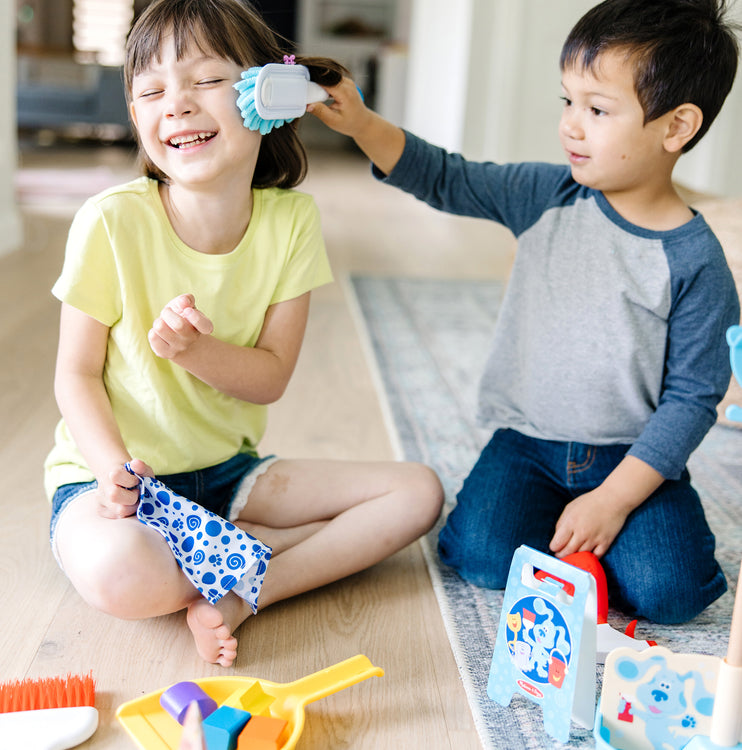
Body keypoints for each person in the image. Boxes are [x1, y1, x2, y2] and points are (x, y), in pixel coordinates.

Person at [310, 0, 740, 624]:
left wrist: (615, 501)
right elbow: (446, 176)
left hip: (631, 457)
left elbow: (692, 400)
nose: (570, 124)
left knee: (671, 594)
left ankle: (618, 528)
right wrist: (361, 125)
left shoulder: (697, 261)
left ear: (676, 128)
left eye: (596, 109)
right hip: (527, 443)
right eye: (567, 102)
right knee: (481, 556)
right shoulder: (546, 195)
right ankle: (581, 541)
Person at [45, 0, 443, 667]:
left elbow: (271, 376)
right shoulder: (109, 222)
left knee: (418, 493)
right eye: (151, 91)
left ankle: (243, 588)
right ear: (139, 117)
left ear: (270, 96)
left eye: (206, 81)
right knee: (124, 573)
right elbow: (75, 374)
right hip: (113, 481)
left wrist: (196, 352)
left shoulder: (292, 222)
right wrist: (113, 470)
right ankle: (253, 550)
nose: (176, 104)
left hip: (227, 476)